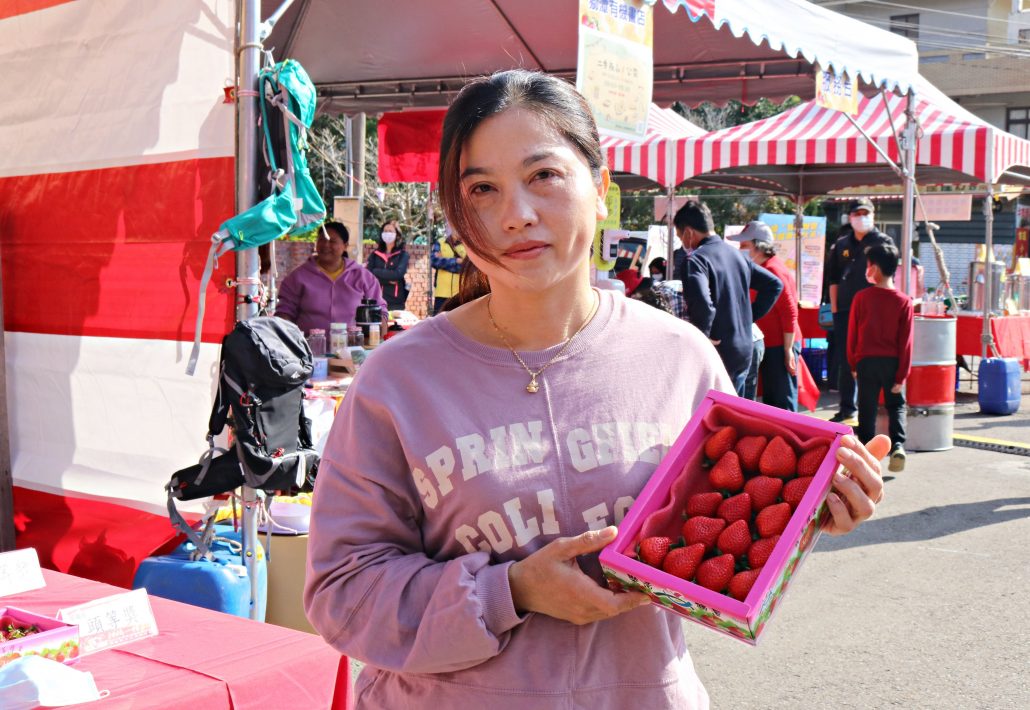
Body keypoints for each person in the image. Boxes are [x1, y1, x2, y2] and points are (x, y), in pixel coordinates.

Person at [303, 69, 888, 710]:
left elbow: (727, 536)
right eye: (482, 189)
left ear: (600, 186)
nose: (515, 215)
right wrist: (510, 591)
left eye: (543, 176)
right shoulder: (397, 381)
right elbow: (343, 595)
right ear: (457, 211)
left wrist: (810, 511)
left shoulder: (680, 358)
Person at [676, 200, 783, 397]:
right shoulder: (738, 255)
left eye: (680, 236)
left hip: (719, 350)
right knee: (735, 414)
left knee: (714, 417)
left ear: (689, 232)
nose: (682, 242)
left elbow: (702, 305)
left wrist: (702, 338)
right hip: (744, 347)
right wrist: (747, 318)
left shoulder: (695, 260)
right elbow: (774, 285)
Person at [827, 198, 895, 424]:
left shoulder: (882, 242)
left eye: (866, 213)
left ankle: (871, 408)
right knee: (846, 360)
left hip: (874, 310)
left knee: (871, 358)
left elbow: (891, 276)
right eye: (857, 213)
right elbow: (833, 277)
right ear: (850, 217)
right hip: (846, 309)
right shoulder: (842, 244)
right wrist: (835, 308)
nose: (861, 217)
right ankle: (847, 409)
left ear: (874, 215)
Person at [848, 242, 913, 473]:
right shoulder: (904, 301)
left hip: (866, 360)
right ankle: (897, 445)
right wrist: (902, 374)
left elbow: (852, 334)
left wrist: (853, 362)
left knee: (867, 407)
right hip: (893, 361)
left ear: (873, 267)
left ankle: (866, 453)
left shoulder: (862, 298)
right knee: (896, 405)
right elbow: (906, 342)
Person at [732, 220, 803, 411]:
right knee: (773, 403)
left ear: (759, 246)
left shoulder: (773, 270)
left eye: (744, 245)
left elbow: (789, 312)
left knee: (783, 404)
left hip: (780, 344)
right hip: (770, 343)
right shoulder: (761, 268)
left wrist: (788, 350)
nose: (740, 249)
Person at [275, 221, 388, 336]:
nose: (326, 245)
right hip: (308, 349)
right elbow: (284, 314)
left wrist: (376, 344)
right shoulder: (297, 277)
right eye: (321, 240)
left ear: (345, 245)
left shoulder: (363, 277)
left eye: (332, 241)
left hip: (353, 350)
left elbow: (380, 312)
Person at [367, 219, 411, 311]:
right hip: (375, 300)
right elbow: (369, 275)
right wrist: (388, 281)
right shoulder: (375, 254)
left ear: (397, 235)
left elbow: (398, 274)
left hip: (395, 302)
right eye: (385, 231)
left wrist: (376, 271)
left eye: (390, 231)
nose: (387, 233)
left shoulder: (403, 255)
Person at [431, 225, 467, 314]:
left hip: (460, 294)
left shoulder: (468, 245)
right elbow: (434, 261)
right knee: (439, 324)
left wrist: (444, 262)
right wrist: (457, 261)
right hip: (441, 293)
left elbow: (468, 267)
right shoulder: (440, 243)